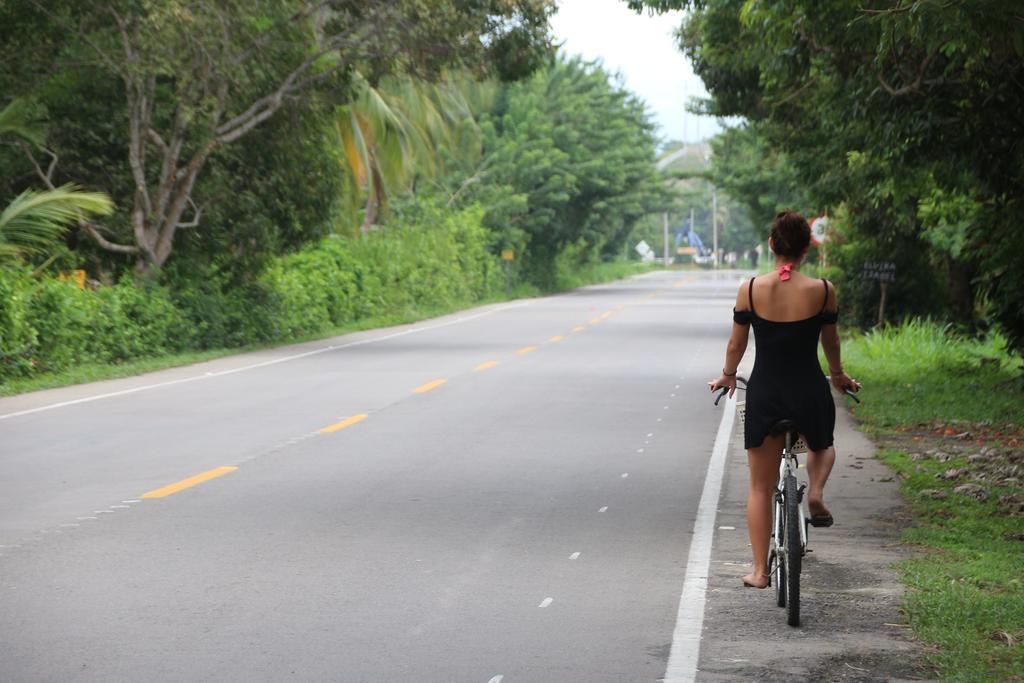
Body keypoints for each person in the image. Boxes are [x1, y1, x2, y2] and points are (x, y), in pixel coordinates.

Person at [708, 210, 860, 589]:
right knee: (822, 445)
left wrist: (728, 374)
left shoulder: (751, 288)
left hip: (767, 392)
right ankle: (818, 491)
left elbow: (736, 343)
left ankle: (760, 572)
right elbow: (831, 342)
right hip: (808, 388)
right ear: (807, 247)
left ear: (772, 244)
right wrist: (838, 375)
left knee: (760, 487)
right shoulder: (823, 290)